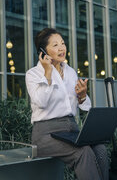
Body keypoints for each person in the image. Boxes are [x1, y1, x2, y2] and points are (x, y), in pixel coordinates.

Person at [25, 28, 109, 180]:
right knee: (83, 152)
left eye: (62, 43)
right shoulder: (33, 74)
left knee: (101, 150)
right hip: (46, 135)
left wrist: (82, 96)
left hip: (71, 129)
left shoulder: (70, 72)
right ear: (43, 51)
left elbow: (83, 106)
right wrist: (48, 74)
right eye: (55, 45)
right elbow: (41, 102)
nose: (62, 48)